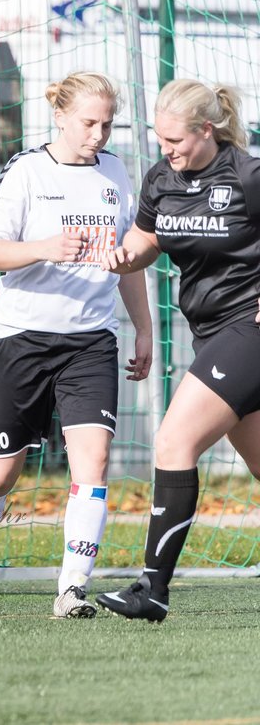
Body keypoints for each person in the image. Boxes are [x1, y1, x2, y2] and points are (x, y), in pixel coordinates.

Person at [0, 72, 153, 619]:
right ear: (60, 117)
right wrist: (44, 247)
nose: (99, 134)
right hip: (22, 338)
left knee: (96, 460)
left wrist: (144, 327)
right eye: (89, 122)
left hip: (90, 340)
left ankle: (72, 590)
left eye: (107, 123)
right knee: (1, 472)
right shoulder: (26, 171)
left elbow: (127, 258)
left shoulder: (114, 173)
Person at [96, 79, 260, 622]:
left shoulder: (246, 175)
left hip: (250, 330)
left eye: (176, 140)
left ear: (206, 130)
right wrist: (125, 257)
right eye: (160, 139)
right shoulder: (162, 178)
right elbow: (148, 238)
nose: (168, 149)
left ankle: (152, 590)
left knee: (172, 441)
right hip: (212, 333)